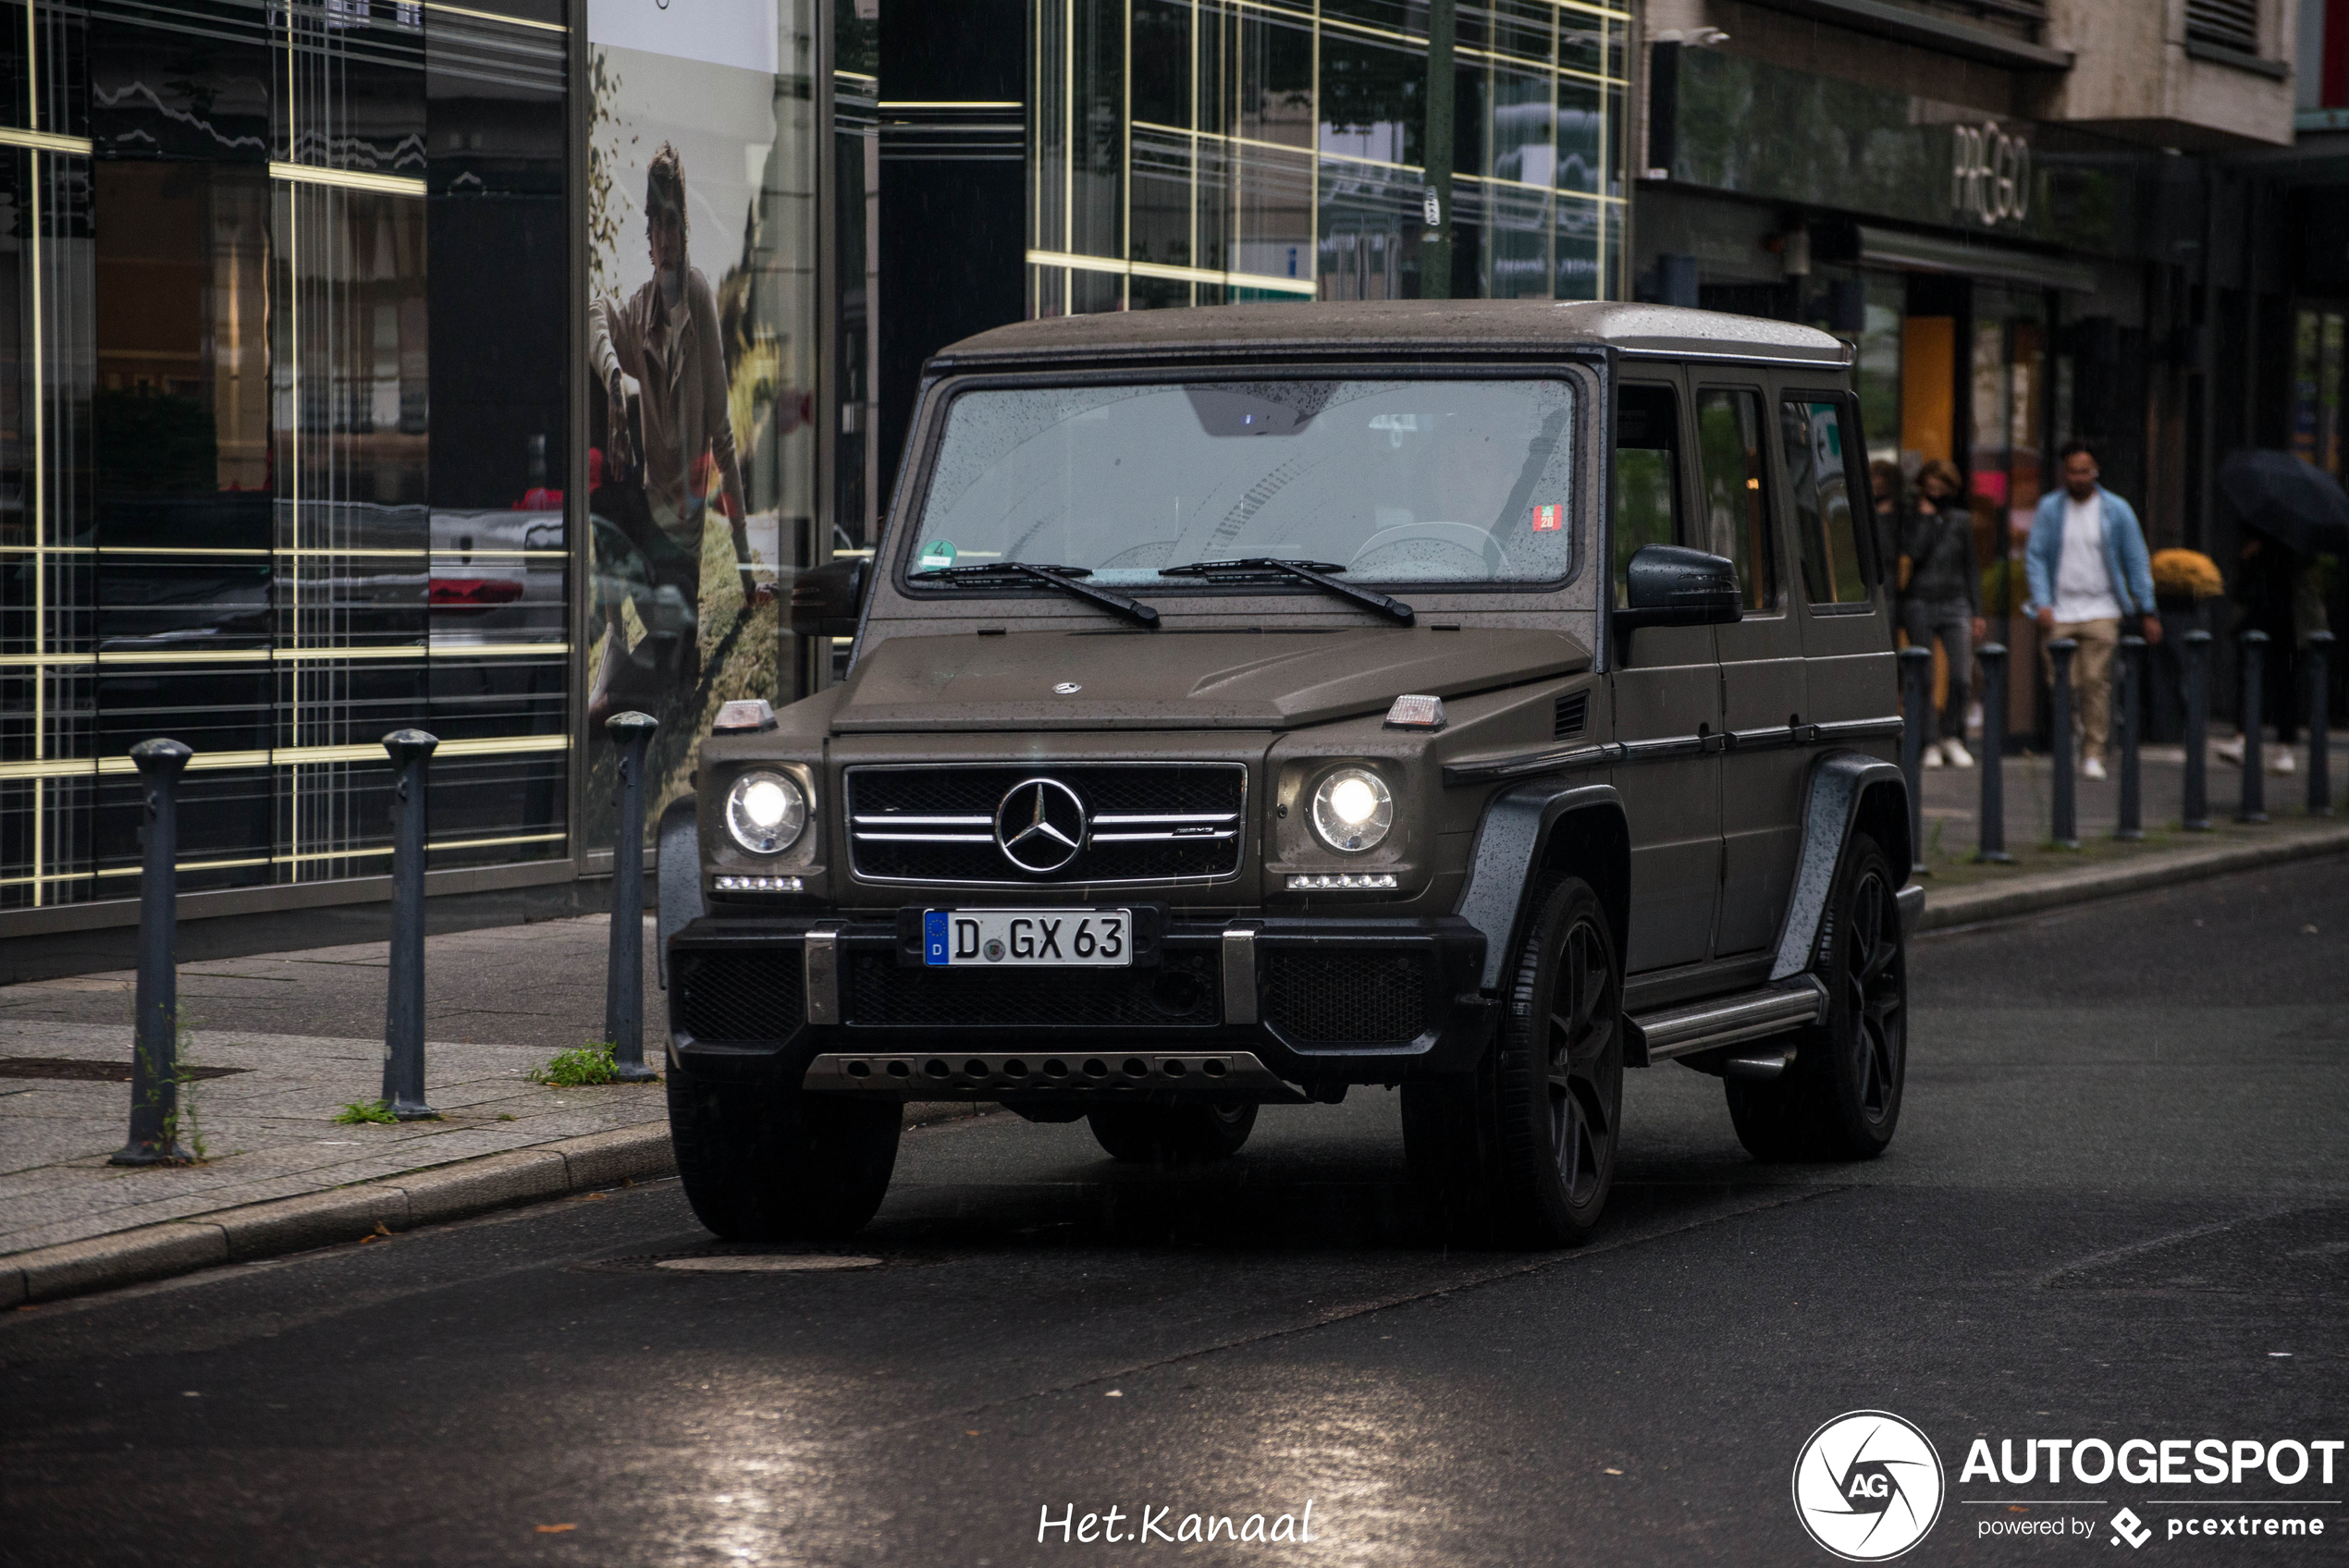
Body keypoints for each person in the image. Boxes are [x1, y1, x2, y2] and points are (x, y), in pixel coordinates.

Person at [586, 141, 769, 727]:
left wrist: (744, 572)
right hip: (641, 522)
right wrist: (616, 380)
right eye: (655, 225)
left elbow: (722, 437)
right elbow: (590, 309)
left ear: (684, 228)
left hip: (679, 546)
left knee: (678, 661)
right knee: (601, 481)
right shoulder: (638, 310)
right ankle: (613, 637)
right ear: (646, 237)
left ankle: (609, 698)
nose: (664, 237)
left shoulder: (698, 299)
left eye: (672, 222)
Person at [2026, 440, 2162, 781]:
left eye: (2086, 471)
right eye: (2073, 471)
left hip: (2102, 608)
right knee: (2060, 683)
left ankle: (2093, 751)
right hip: (2059, 610)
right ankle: (2070, 736)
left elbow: (2136, 559)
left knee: (2094, 681)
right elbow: (2036, 556)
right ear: (2064, 473)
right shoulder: (2050, 508)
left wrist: (2147, 608)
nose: (2079, 477)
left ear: (2096, 471)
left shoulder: (2116, 509)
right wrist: (2042, 601)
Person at [1899, 459, 1986, 767]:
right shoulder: (1912, 516)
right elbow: (1914, 552)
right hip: (1920, 601)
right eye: (1930, 487)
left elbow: (1971, 567)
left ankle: (1952, 735)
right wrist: (1925, 517)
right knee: (1924, 677)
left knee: (1961, 676)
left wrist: (1977, 611)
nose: (1936, 493)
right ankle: (1929, 741)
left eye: (1942, 488)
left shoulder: (1960, 520)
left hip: (1956, 602)